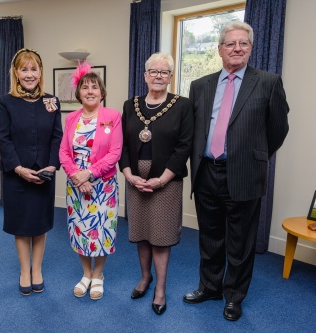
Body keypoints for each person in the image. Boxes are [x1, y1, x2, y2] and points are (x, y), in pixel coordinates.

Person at [183, 21, 290, 321]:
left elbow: (278, 129)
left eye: (243, 43)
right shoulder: (200, 85)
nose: (237, 48)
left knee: (240, 242)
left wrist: (253, 157)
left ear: (251, 48)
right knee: (210, 237)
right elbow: (195, 129)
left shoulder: (268, 82)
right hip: (206, 172)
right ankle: (210, 287)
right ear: (219, 49)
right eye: (230, 43)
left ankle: (234, 296)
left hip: (243, 174)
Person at [119, 53, 193, 315]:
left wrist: (162, 179)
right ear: (145, 75)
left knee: (160, 236)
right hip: (136, 178)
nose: (159, 76)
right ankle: (144, 277)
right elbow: (123, 145)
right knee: (141, 232)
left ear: (171, 77)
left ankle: (160, 287)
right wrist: (128, 174)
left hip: (166, 179)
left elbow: (185, 146)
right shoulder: (131, 105)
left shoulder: (183, 105)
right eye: (154, 71)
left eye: (164, 72)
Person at [0, 48, 62, 296]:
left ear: (41, 71)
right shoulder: (6, 102)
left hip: (44, 171)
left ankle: (37, 269)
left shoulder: (51, 101)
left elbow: (58, 137)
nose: (29, 74)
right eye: (24, 69)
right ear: (16, 72)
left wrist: (53, 165)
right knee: (22, 224)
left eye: (33, 69)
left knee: (40, 224)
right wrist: (19, 168)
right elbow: (3, 139)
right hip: (17, 173)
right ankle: (25, 271)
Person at [59, 61, 123, 301]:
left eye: (94, 87)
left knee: (102, 230)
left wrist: (90, 173)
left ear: (102, 92)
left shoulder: (113, 117)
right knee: (80, 229)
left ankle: (98, 275)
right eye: (85, 87)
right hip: (76, 186)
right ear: (78, 93)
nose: (89, 91)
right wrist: (77, 176)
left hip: (103, 186)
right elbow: (64, 153)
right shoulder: (71, 119)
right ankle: (86, 273)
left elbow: (115, 152)